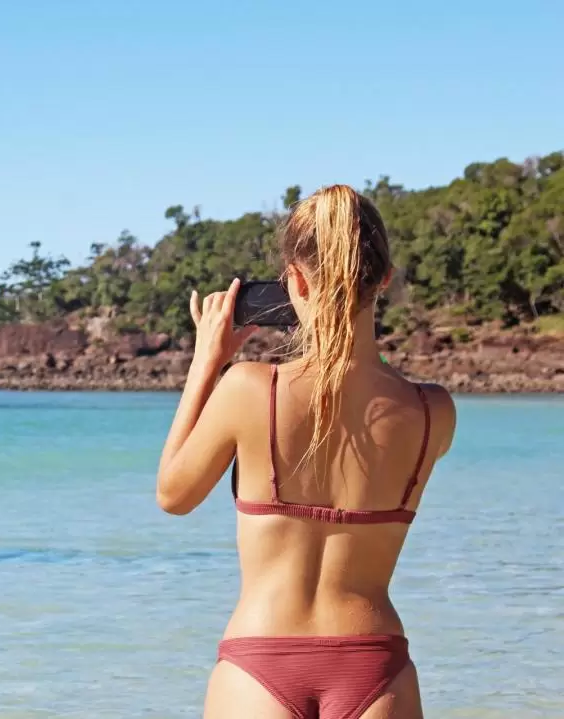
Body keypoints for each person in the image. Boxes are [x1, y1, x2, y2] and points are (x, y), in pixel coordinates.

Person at [156, 185, 457, 718]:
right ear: (384, 279)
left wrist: (207, 362)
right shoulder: (433, 412)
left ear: (293, 280)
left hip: (261, 660)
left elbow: (174, 495)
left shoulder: (250, 388)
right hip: (377, 664)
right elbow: (363, 383)